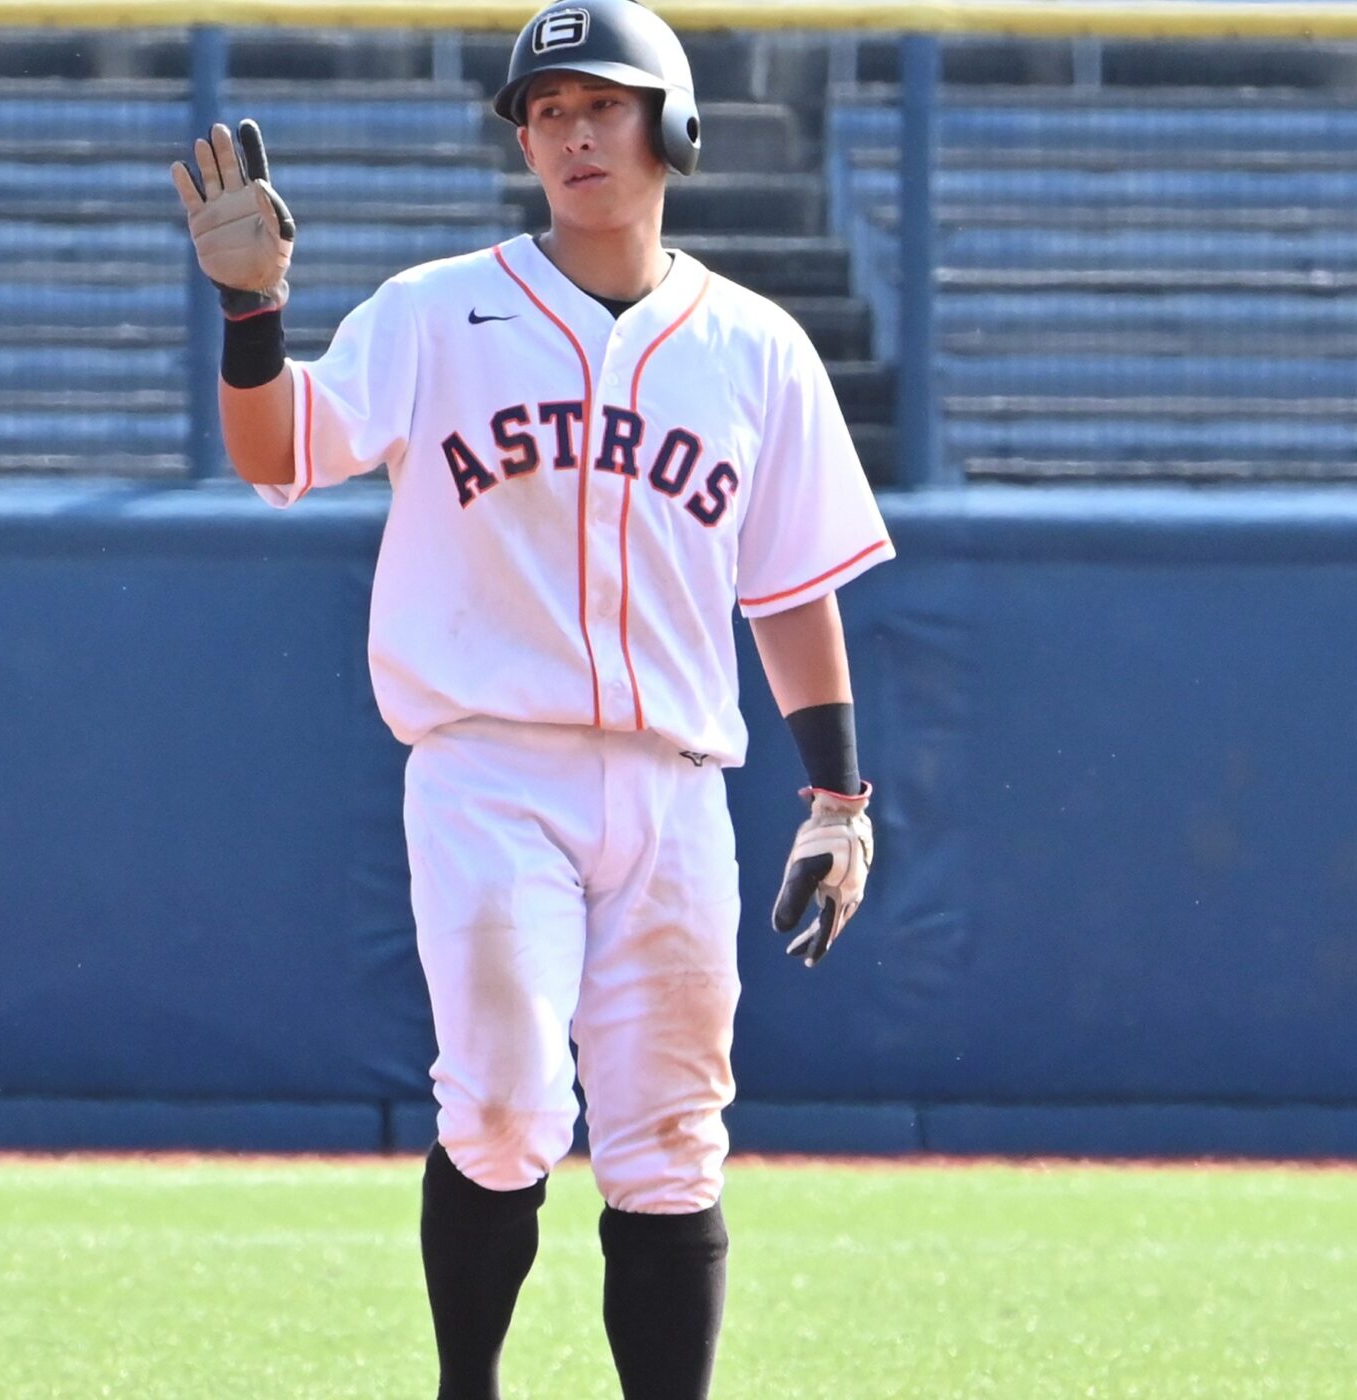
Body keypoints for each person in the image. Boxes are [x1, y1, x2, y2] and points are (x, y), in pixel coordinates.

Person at [171, 3, 889, 1394]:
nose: (572, 133)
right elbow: (275, 452)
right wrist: (252, 316)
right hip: (488, 770)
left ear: (675, 128)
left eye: (603, 103)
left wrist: (837, 801)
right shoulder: (437, 312)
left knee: (670, 1140)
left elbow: (793, 585)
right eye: (546, 112)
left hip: (676, 785)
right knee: (504, 1110)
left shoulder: (755, 347)